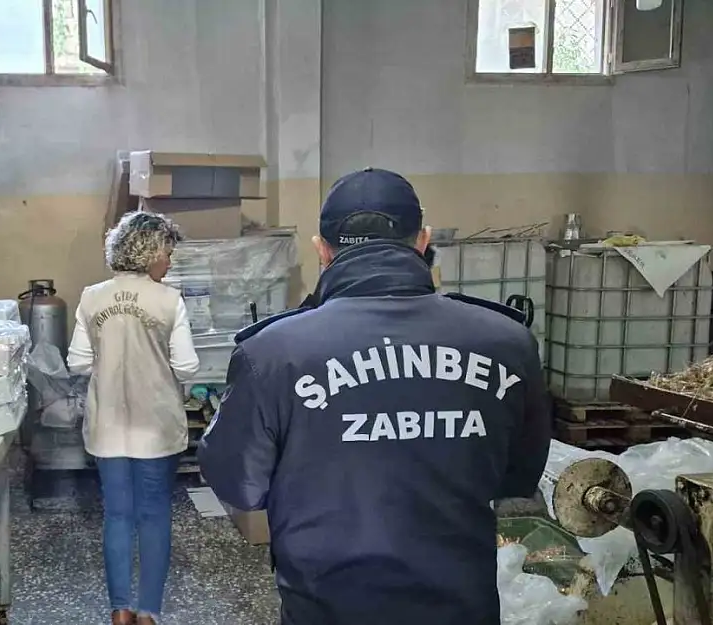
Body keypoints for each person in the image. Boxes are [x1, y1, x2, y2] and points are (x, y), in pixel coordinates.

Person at [197, 168, 551, 625]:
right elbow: (517, 478)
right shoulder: (506, 342)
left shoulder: (273, 353)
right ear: (423, 241)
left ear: (322, 250)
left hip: (327, 606)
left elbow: (239, 484)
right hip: (459, 604)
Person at [67, 210, 200, 625]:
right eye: (169, 253)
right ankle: (149, 613)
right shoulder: (168, 299)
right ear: (153, 252)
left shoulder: (92, 296)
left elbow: (77, 362)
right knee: (155, 515)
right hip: (156, 426)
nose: (171, 262)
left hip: (107, 427)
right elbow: (188, 367)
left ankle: (120, 610)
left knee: (117, 515)